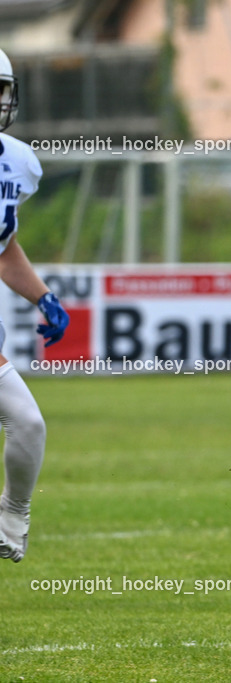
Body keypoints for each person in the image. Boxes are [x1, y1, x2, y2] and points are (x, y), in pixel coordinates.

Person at [0, 48, 69, 563]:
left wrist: (42, 296)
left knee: (28, 423)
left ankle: (12, 516)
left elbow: (3, 247)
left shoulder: (17, 162)